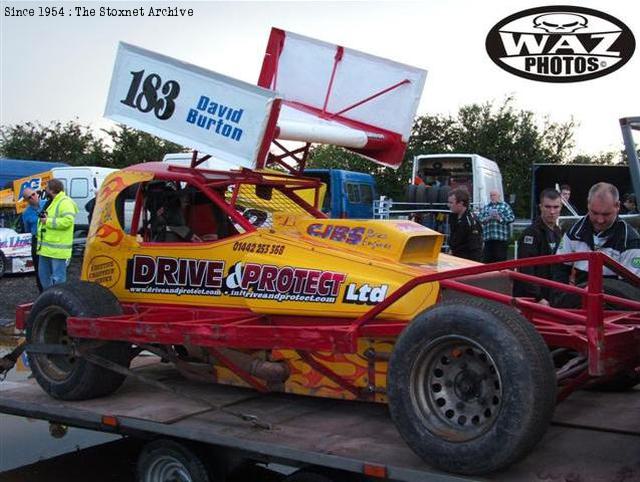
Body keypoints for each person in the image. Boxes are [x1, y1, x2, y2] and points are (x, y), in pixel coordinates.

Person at [552, 182, 640, 305]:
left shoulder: (630, 240)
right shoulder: (574, 232)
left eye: (606, 214)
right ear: (588, 205)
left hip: (615, 311)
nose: (600, 220)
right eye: (595, 213)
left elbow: (630, 289)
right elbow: (559, 269)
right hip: (579, 305)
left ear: (618, 206)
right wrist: (561, 300)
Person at [513, 188, 563, 305]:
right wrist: (538, 297)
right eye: (548, 207)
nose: (552, 211)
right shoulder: (531, 233)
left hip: (550, 293)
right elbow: (526, 268)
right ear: (541, 207)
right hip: (532, 298)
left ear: (561, 208)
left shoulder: (558, 232)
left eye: (556, 207)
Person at [37, 179, 78, 289]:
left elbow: (68, 221)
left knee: (58, 279)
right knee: (44, 277)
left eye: (46, 188)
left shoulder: (65, 202)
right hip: (46, 249)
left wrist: (48, 221)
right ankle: (49, 299)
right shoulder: (52, 201)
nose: (44, 190)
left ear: (51, 189)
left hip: (58, 249)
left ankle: (57, 299)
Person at [20, 188, 47, 292]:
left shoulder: (47, 204)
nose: (32, 198)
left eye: (33, 194)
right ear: (26, 200)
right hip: (36, 239)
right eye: (29, 197)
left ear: (37, 193)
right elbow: (27, 229)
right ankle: (42, 293)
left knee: (51, 268)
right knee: (39, 269)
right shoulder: (26, 213)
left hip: (49, 238)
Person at [478, 190, 515, 262]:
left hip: (500, 239)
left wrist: (500, 218)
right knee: (487, 261)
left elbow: (512, 218)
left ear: (499, 196)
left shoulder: (505, 206)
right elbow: (479, 218)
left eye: (494, 195)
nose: (492, 197)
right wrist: (488, 218)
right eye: (491, 195)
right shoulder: (486, 207)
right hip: (488, 239)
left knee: (500, 260)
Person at [447, 188, 483, 261]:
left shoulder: (471, 221)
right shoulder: (453, 217)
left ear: (461, 203)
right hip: (454, 259)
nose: (448, 205)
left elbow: (475, 248)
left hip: (467, 260)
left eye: (451, 203)